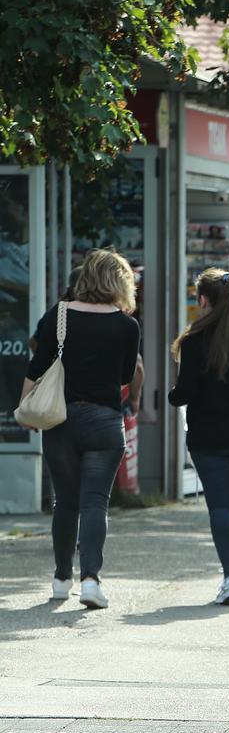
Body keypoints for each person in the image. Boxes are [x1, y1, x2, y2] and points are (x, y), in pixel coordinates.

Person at [20, 249, 140, 609]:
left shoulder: (58, 315)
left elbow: (36, 367)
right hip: (104, 422)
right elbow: (124, 376)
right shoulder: (127, 326)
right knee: (94, 503)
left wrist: (25, 409)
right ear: (119, 282)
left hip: (60, 421)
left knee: (65, 502)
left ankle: (61, 580)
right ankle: (90, 582)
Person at [168, 269, 229, 605]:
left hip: (209, 438)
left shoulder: (194, 340)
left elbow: (184, 393)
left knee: (221, 507)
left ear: (203, 300)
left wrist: (171, 396)